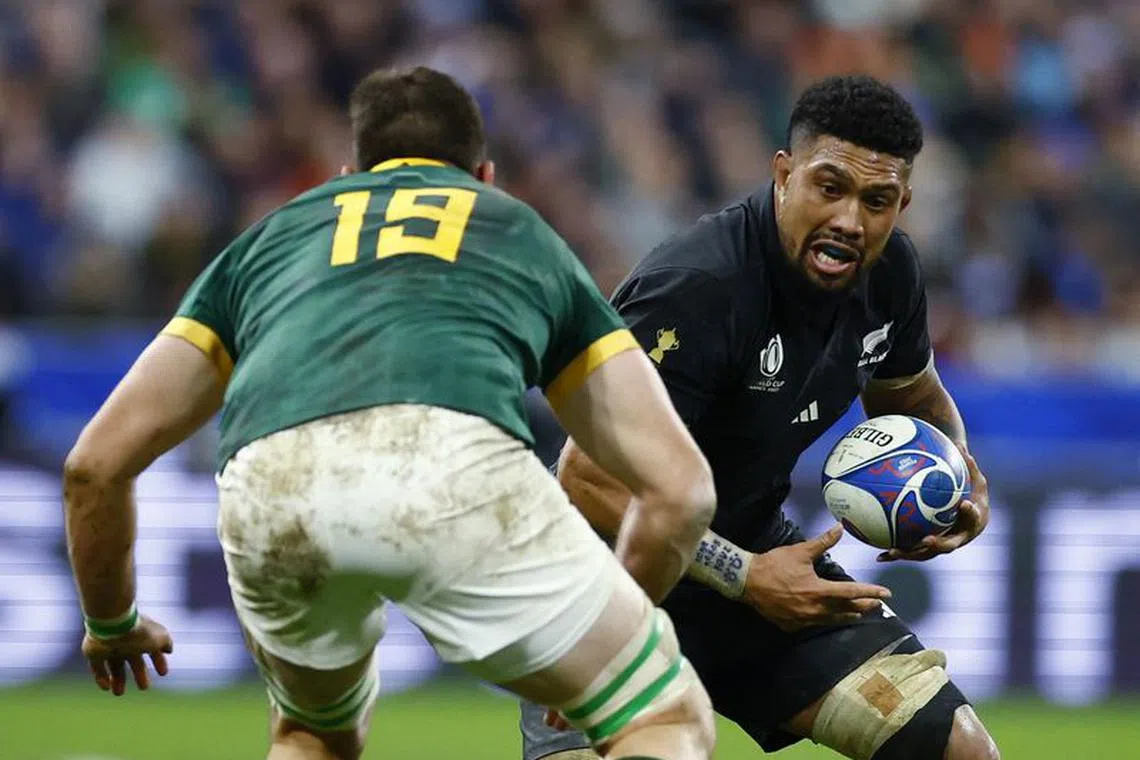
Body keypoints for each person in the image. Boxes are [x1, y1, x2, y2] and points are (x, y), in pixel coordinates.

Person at [62, 66, 721, 760]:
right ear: (484, 176)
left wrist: (111, 625)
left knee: (312, 732)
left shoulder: (266, 242)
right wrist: (596, 644)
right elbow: (681, 492)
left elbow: (93, 466)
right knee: (663, 718)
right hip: (451, 461)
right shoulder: (517, 231)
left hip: (272, 485)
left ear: (350, 174)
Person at [519, 76, 1001, 760]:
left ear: (902, 205)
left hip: (754, 558)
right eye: (828, 187)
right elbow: (587, 479)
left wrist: (955, 475)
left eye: (876, 201)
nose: (849, 220)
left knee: (959, 750)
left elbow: (914, 395)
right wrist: (745, 574)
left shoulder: (890, 272)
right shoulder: (698, 289)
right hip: (615, 574)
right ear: (784, 174)